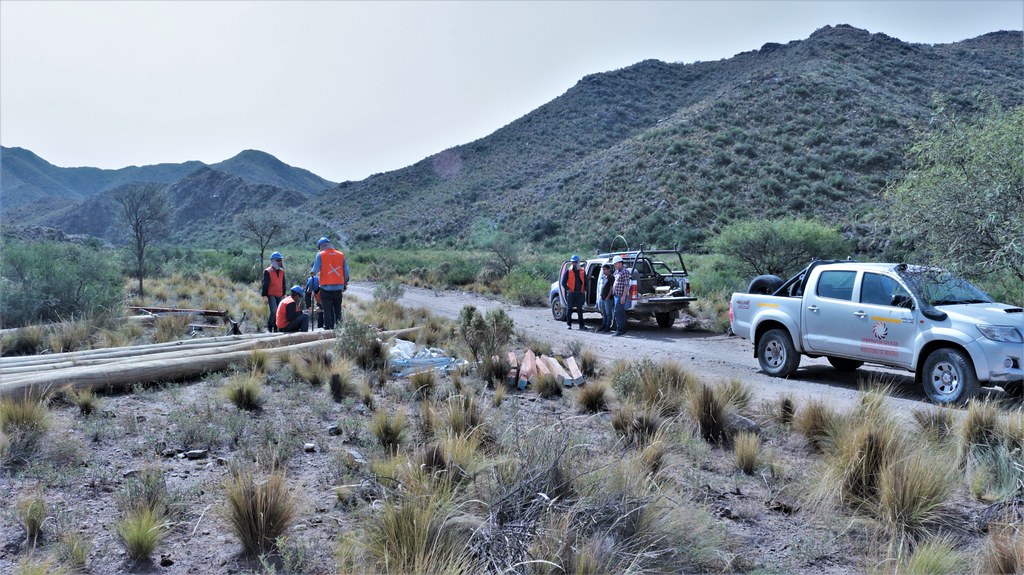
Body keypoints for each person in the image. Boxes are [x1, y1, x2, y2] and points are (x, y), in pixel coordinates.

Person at [310, 237, 349, 330]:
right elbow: (346, 272)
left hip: (325, 288)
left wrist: (311, 272)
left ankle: (328, 329)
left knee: (327, 310)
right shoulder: (341, 255)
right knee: (337, 310)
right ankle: (339, 328)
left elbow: (315, 270)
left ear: (320, 246)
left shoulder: (320, 254)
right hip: (338, 288)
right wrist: (345, 283)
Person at [260, 252, 287, 333]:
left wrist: (284, 293)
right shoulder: (267, 271)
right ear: (273, 261)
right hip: (271, 294)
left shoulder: (282, 271)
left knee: (279, 312)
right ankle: (269, 327)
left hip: (280, 294)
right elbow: (265, 284)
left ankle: (276, 328)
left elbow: (283, 284)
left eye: (281, 260)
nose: (280, 262)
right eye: (278, 260)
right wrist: (264, 296)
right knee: (274, 311)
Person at [561, 255, 586, 330]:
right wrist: (568, 289)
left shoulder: (582, 271)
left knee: (580, 310)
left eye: (575, 262)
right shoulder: (568, 271)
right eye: (573, 262)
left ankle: (581, 325)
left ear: (578, 262)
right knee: (569, 309)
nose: (574, 264)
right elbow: (563, 282)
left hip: (579, 294)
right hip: (571, 294)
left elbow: (586, 282)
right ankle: (569, 325)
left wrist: (584, 289)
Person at [611, 255, 630, 337]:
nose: (615, 265)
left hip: (621, 295)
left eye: (615, 264)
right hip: (616, 295)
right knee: (620, 312)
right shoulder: (617, 271)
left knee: (617, 312)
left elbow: (626, 285)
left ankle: (620, 329)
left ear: (620, 263)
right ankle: (622, 329)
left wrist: (623, 296)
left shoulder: (625, 272)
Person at [596, 263, 615, 332]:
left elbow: (611, 288)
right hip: (603, 298)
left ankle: (607, 327)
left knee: (608, 313)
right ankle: (603, 325)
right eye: (603, 269)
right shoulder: (603, 277)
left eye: (605, 269)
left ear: (608, 270)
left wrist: (608, 296)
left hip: (608, 298)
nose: (604, 271)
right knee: (604, 313)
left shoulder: (611, 277)